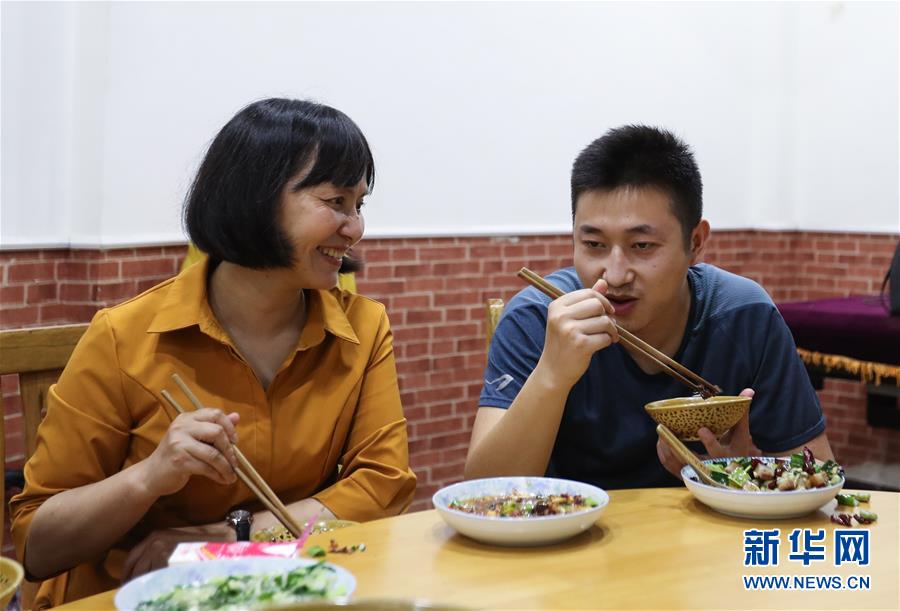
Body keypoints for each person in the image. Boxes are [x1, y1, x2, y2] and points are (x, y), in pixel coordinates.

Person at [10, 98, 417, 607]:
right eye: (335, 201)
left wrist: (231, 538)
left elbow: (383, 486)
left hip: (281, 589)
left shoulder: (363, 326)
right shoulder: (125, 336)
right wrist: (150, 476)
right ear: (255, 197)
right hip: (127, 595)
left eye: (360, 206)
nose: (355, 228)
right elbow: (37, 542)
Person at [465, 125, 832, 489]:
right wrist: (551, 375)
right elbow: (484, 492)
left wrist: (738, 470)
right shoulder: (538, 317)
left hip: (710, 540)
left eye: (641, 246)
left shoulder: (744, 316)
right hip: (570, 538)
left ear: (696, 242)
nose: (615, 273)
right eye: (593, 244)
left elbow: (819, 476)